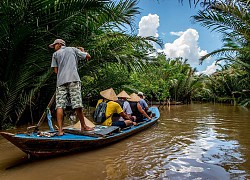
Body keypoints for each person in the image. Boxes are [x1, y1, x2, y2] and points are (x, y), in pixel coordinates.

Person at [49, 38, 93, 135]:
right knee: (77, 103)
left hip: (60, 81)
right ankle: (84, 126)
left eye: (55, 45)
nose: (54, 48)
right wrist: (82, 51)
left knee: (60, 105)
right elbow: (88, 56)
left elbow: (56, 71)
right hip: (73, 79)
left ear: (60, 44)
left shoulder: (55, 55)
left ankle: (60, 130)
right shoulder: (73, 49)